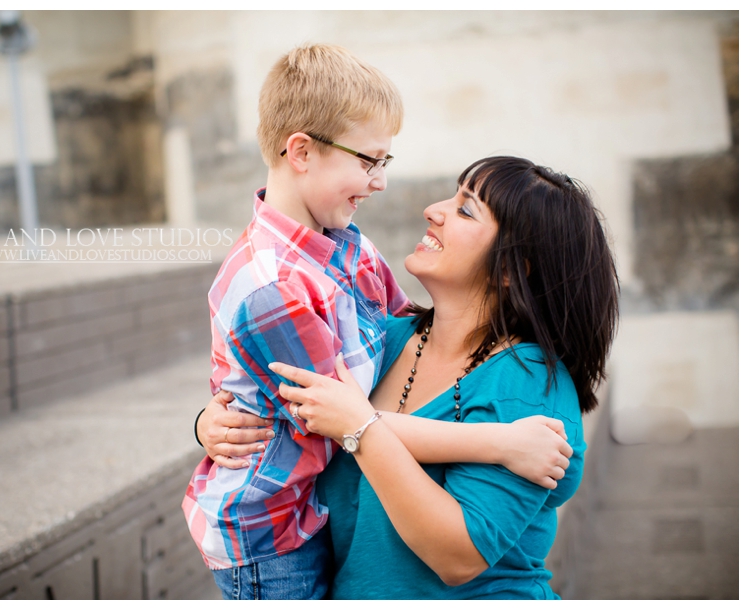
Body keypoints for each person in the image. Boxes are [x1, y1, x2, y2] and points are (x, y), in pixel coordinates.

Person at [182, 44, 571, 601]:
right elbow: (338, 419)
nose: (382, 182)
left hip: (311, 511)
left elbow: (395, 343)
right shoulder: (273, 288)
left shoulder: (349, 247)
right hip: (270, 534)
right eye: (368, 161)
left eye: (384, 163)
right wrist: (497, 443)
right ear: (302, 152)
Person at [201, 156, 619, 599]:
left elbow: (458, 556)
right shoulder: (386, 338)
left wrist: (358, 427)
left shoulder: (526, 382)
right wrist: (213, 422)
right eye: (453, 196)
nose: (433, 210)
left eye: (464, 210)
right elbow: (296, 406)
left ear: (511, 270)